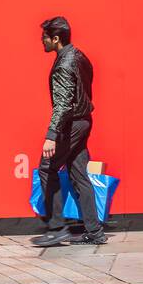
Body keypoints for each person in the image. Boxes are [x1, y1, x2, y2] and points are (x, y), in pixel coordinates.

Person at [32, 16, 105, 246]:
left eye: (44, 37)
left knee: (47, 167)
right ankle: (94, 231)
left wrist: (51, 135)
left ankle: (56, 228)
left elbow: (63, 103)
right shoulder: (79, 55)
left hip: (71, 123)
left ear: (56, 39)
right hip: (83, 121)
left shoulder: (63, 64)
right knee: (79, 174)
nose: (42, 41)